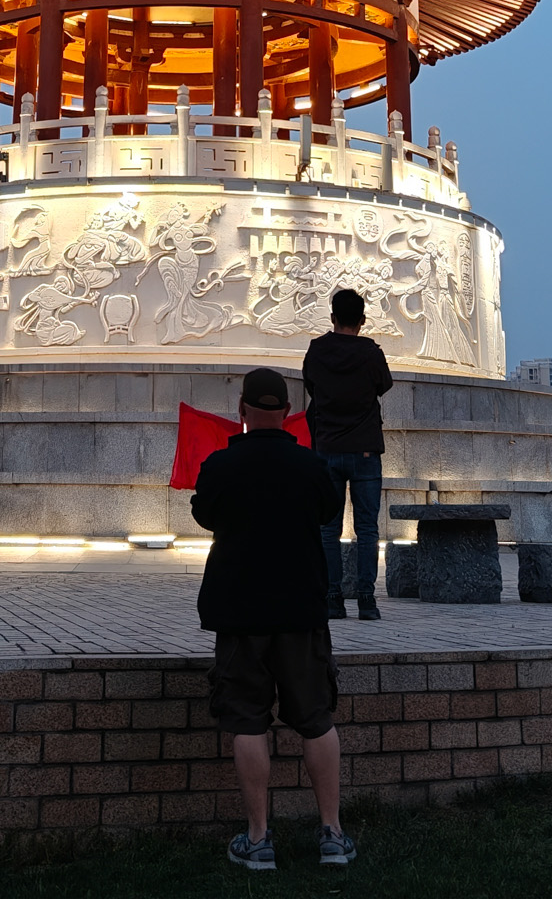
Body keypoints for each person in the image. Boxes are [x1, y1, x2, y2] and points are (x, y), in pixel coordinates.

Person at [192, 365, 357, 871]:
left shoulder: (220, 464)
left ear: (240, 409)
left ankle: (259, 838)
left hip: (240, 611)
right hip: (300, 611)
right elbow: (327, 513)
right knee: (316, 720)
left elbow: (204, 514)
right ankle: (332, 834)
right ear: (287, 412)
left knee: (247, 721)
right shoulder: (311, 466)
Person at [302, 287, 395, 621]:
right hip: (365, 449)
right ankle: (367, 601)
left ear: (332, 317)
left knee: (328, 529)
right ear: (362, 320)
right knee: (367, 529)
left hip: (327, 447)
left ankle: (333, 598)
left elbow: (311, 386)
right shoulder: (371, 352)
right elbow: (384, 386)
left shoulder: (317, 350)